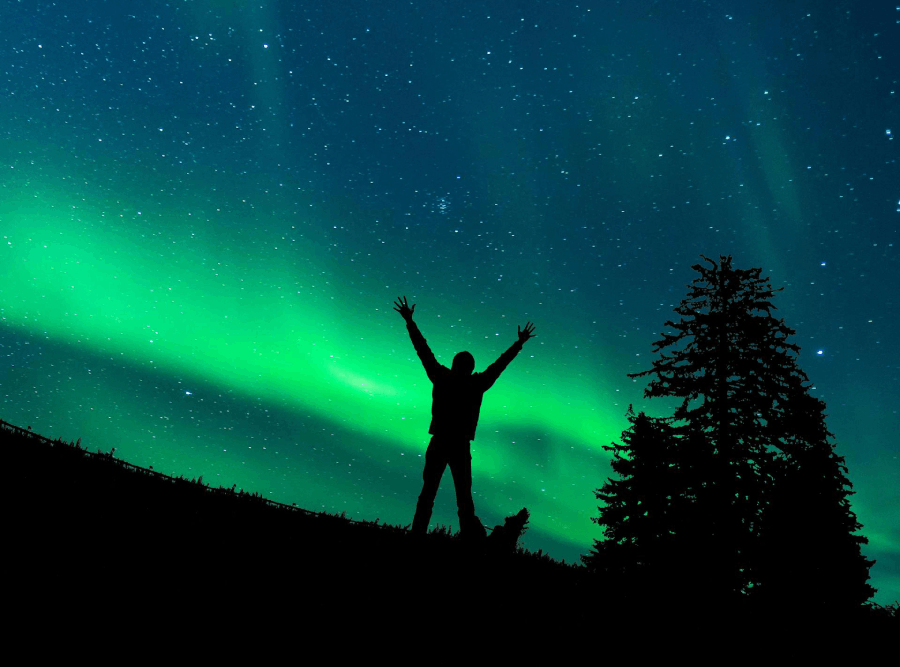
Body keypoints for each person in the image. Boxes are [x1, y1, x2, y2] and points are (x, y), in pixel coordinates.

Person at [393, 296, 536, 538]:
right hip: (458, 443)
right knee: (463, 498)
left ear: (454, 364)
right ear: (470, 367)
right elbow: (498, 366)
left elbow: (423, 350)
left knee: (429, 493)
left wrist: (409, 321)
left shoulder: (442, 377)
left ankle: (418, 535)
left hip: (440, 441)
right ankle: (469, 542)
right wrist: (518, 344)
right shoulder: (475, 384)